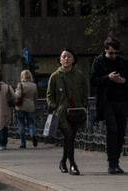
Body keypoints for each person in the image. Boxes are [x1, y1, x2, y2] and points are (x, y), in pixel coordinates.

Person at [47, 48, 89, 175]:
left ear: (74, 59)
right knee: (69, 136)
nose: (66, 59)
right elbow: (50, 95)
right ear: (60, 60)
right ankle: (73, 165)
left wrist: (84, 105)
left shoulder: (79, 75)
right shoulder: (55, 76)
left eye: (69, 56)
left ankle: (63, 161)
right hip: (62, 112)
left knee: (70, 139)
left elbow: (84, 92)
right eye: (64, 56)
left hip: (76, 111)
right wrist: (54, 107)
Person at [90, 36, 128, 174]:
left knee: (121, 132)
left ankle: (116, 162)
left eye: (116, 53)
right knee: (112, 130)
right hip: (106, 102)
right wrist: (108, 78)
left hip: (122, 101)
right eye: (111, 53)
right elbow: (93, 80)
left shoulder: (123, 62)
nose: (114, 56)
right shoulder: (99, 61)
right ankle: (111, 163)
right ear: (105, 50)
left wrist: (123, 81)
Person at [15, 70, 38, 148]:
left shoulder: (20, 85)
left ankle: (23, 143)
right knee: (31, 123)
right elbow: (35, 97)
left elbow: (18, 96)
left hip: (21, 106)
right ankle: (32, 134)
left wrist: (16, 92)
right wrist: (34, 104)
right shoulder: (34, 85)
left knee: (21, 124)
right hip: (30, 106)